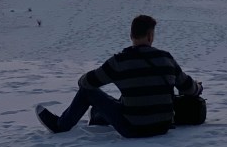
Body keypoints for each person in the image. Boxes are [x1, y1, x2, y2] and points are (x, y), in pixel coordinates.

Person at [35, 14, 202, 138]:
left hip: (132, 129)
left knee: (89, 93)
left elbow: (87, 83)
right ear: (150, 36)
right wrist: (198, 87)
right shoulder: (166, 58)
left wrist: (82, 79)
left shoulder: (120, 61)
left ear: (131, 36)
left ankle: (60, 125)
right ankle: (98, 117)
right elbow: (189, 88)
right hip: (162, 127)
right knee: (125, 99)